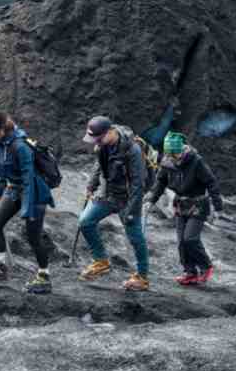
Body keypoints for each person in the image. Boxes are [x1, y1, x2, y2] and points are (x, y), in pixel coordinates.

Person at [0, 109, 56, 294]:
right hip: (13, 189)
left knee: (33, 236)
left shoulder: (20, 146)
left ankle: (44, 277)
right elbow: (2, 171)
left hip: (34, 192)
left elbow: (28, 178)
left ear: (0, 129)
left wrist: (27, 208)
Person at [77, 115, 152, 291]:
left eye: (99, 138)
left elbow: (138, 183)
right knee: (85, 221)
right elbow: (99, 167)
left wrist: (132, 211)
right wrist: (91, 186)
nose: (97, 141)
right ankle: (101, 261)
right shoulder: (102, 146)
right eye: (95, 138)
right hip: (108, 195)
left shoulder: (132, 150)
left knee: (135, 237)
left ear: (110, 132)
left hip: (128, 199)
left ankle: (142, 277)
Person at [146, 132, 223, 286]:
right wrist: (151, 200)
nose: (174, 157)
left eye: (176, 154)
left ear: (182, 149)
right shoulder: (167, 161)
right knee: (181, 241)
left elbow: (211, 182)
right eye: (170, 154)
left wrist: (218, 206)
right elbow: (161, 181)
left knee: (191, 239)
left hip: (198, 204)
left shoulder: (196, 161)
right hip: (181, 205)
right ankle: (190, 272)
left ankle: (206, 266)